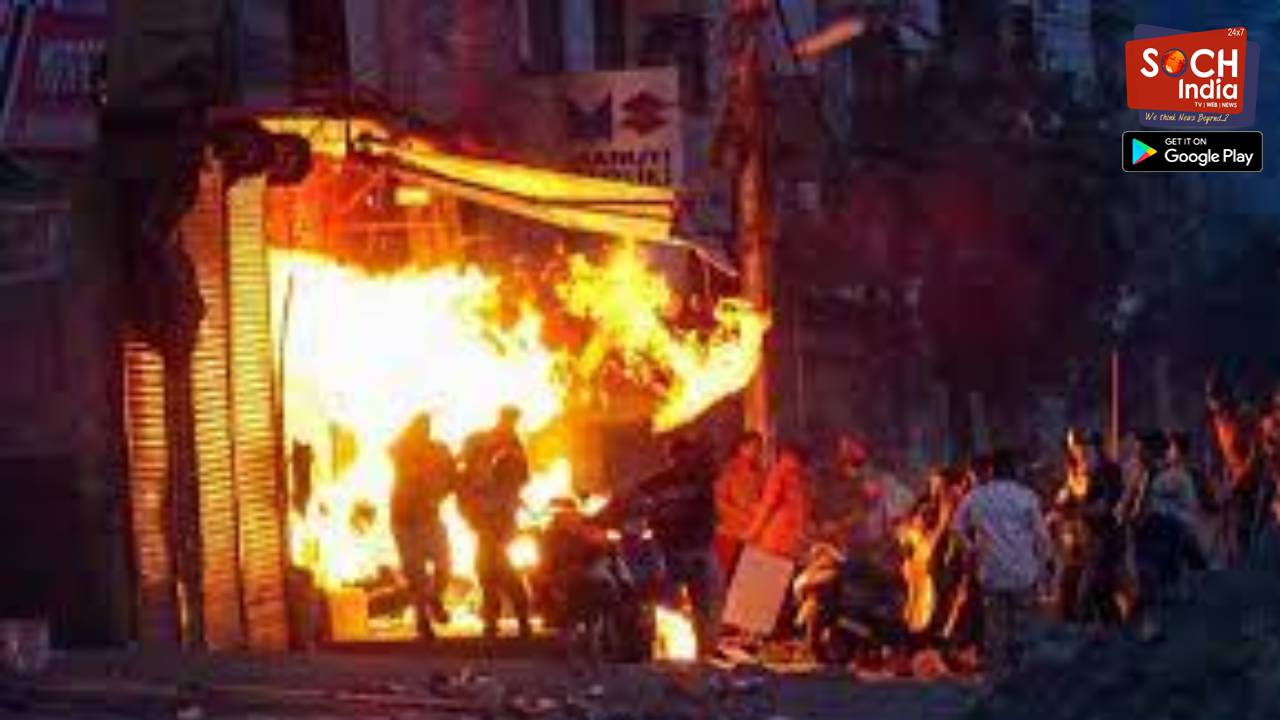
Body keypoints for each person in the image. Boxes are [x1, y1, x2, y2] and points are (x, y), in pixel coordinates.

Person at [951, 449, 1053, 682]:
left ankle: (996, 680)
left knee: (995, 632)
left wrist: (971, 548)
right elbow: (1042, 537)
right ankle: (1024, 679)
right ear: (1013, 469)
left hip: (992, 574)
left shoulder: (976, 497)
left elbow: (956, 527)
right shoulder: (1026, 496)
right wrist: (1045, 566)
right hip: (1023, 575)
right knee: (1024, 630)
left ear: (992, 470)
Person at [631, 434, 724, 659]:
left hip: (689, 552)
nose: (682, 460)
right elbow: (636, 505)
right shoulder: (661, 484)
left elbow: (710, 516)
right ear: (671, 457)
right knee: (690, 604)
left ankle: (704, 651)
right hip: (675, 552)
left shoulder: (700, 482)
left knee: (702, 604)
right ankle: (694, 651)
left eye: (685, 455)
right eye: (678, 455)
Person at [460, 406, 532, 640]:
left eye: (512, 421)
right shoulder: (483, 442)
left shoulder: (513, 449)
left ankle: (510, 618)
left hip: (500, 521)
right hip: (488, 521)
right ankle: (498, 619)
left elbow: (522, 477)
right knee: (489, 571)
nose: (509, 424)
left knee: (496, 570)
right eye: (507, 419)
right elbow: (465, 471)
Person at [1122, 432, 1199, 642]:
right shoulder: (1141, 474)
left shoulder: (1175, 477)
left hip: (1167, 534)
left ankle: (1156, 624)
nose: (1137, 454)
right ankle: (1147, 623)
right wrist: (1125, 513)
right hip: (1144, 534)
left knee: (1155, 577)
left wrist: (1161, 515)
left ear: (1153, 451)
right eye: (1137, 449)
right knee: (1144, 577)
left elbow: (1187, 512)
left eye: (1141, 449)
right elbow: (1127, 503)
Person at [389, 413, 457, 640]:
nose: (423, 432)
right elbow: (394, 452)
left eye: (426, 428)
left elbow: (452, 477)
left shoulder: (438, 449)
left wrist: (442, 489)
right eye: (419, 428)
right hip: (404, 520)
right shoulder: (402, 449)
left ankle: (434, 598)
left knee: (444, 566)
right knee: (416, 574)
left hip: (429, 517)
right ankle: (422, 621)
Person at [1055, 430, 1125, 631]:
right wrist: (1063, 502)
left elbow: (1106, 506)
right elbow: (1067, 498)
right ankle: (1090, 633)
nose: (1076, 452)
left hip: (1104, 539)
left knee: (1091, 593)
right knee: (1071, 589)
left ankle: (1107, 633)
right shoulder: (1078, 470)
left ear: (1094, 447)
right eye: (1073, 448)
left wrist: (1076, 509)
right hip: (1081, 540)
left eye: (1081, 447)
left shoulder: (1109, 471)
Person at [714, 431, 766, 576]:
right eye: (754, 447)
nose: (757, 452)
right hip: (732, 533)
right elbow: (719, 502)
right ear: (741, 448)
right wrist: (740, 515)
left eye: (759, 448)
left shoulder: (760, 472)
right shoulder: (729, 471)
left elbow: (763, 499)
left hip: (755, 532)